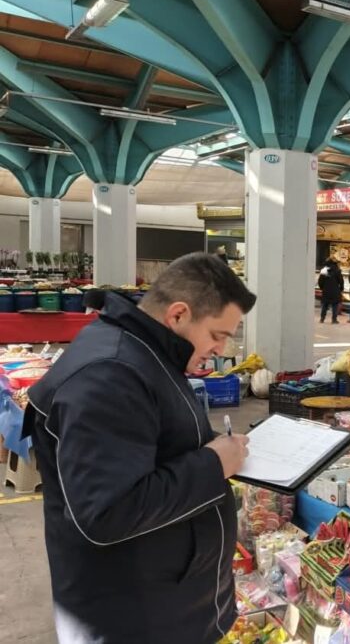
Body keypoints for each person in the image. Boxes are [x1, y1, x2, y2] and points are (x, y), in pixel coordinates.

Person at [23, 253, 256, 643]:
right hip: (134, 618)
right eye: (218, 335)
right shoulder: (110, 375)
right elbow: (108, 512)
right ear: (178, 315)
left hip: (162, 601)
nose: (220, 350)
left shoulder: (145, 351)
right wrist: (213, 463)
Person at [318, 257, 344, 324]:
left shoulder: (324, 270)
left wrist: (322, 288)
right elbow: (341, 281)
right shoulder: (337, 270)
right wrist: (341, 288)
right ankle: (334, 319)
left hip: (326, 290)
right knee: (335, 305)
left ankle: (322, 319)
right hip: (335, 290)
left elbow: (320, 281)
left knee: (325, 305)